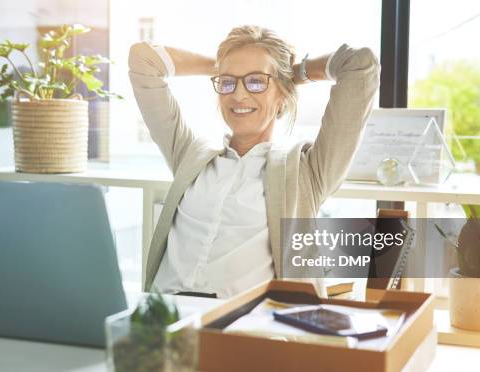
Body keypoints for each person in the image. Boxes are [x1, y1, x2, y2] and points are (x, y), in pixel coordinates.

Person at [128, 25, 380, 298]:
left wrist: (295, 74)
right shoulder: (191, 156)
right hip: (161, 320)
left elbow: (360, 64)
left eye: (256, 82)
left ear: (282, 93)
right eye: (228, 83)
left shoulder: (306, 172)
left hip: (243, 328)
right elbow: (143, 60)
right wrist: (223, 67)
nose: (238, 95)